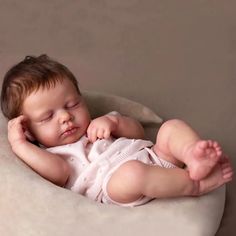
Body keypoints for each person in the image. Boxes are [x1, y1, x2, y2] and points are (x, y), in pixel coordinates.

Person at [1, 55, 233, 207]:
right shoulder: (54, 155)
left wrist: (115, 123)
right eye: (47, 117)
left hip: (154, 157)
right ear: (28, 131)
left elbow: (138, 134)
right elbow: (60, 172)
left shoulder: (98, 123)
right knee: (133, 173)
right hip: (115, 187)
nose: (65, 117)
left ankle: (193, 156)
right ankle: (193, 184)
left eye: (72, 105)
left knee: (171, 127)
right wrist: (21, 145)